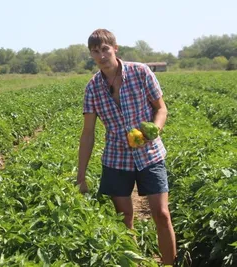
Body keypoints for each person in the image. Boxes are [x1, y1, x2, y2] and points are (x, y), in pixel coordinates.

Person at [76, 29, 176, 265]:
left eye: (105, 49)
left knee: (161, 215)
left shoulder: (140, 72)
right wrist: (81, 176)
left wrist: (152, 131)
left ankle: (170, 263)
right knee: (124, 219)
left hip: (150, 154)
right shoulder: (92, 88)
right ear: (91, 55)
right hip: (116, 159)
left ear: (115, 48)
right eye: (95, 52)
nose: (101, 55)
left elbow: (161, 109)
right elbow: (88, 132)